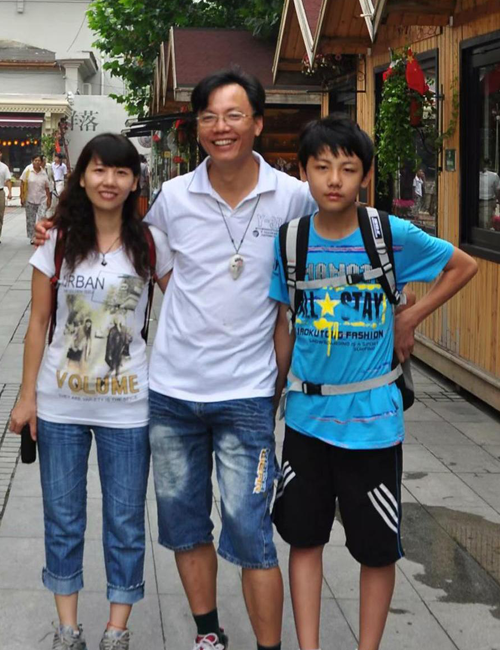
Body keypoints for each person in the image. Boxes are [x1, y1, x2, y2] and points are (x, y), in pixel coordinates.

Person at [269, 115, 478, 650]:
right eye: (322, 167)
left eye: (348, 168)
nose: (334, 179)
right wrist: (271, 400)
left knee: (377, 549)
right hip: (306, 422)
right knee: (304, 539)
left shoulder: (388, 235)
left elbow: (463, 266)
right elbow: (283, 325)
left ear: (365, 176)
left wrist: (412, 317)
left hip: (373, 425)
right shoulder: (290, 241)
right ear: (303, 173)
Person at [10, 133, 172, 650]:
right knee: (63, 519)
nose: (110, 181)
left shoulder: (150, 243)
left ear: (134, 181)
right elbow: (38, 324)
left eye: (122, 172)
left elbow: (189, 305)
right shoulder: (57, 241)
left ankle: (116, 630)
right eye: (100, 170)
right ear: (81, 176)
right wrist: (27, 397)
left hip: (129, 406)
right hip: (60, 404)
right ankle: (68, 628)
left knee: (125, 521)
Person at [20, 154, 51, 243]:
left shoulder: (44, 172)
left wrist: (49, 199)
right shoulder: (28, 170)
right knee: (31, 220)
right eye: (35, 160)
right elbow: (22, 183)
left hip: (42, 199)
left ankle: (40, 235)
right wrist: (22, 196)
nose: (37, 162)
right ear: (32, 161)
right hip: (30, 199)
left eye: (39, 161)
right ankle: (32, 237)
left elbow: (47, 187)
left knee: (42, 217)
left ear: (41, 162)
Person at [479, 158, 500, 229]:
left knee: (485, 224)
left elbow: (497, 191)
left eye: (486, 163)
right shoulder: (473, 174)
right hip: (475, 203)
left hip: (487, 203)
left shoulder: (493, 176)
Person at [0, 149, 13, 244]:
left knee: (0, 215)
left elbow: (8, 180)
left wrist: (10, 192)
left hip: (0, 192)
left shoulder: (4, 167)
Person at [51, 152, 68, 217]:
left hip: (60, 182)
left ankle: (59, 209)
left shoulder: (63, 166)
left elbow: (65, 175)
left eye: (57, 158)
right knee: (54, 196)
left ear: (60, 159)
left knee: (58, 194)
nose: (56, 159)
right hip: (54, 182)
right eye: (55, 157)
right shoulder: (52, 165)